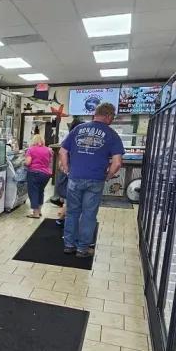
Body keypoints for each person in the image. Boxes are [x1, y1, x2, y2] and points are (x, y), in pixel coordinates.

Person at [59, 102, 124, 257]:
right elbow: (117, 163)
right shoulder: (112, 134)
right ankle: (82, 249)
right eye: (113, 117)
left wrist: (68, 169)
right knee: (89, 214)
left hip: (75, 177)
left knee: (73, 212)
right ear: (108, 116)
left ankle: (69, 245)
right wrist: (107, 176)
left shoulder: (78, 129)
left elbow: (62, 152)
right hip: (95, 180)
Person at [24, 134, 52, 218]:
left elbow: (28, 162)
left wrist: (24, 163)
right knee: (40, 191)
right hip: (46, 174)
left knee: (34, 193)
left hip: (34, 173)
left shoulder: (31, 150)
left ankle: (35, 213)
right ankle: (39, 211)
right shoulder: (48, 150)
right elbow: (49, 162)